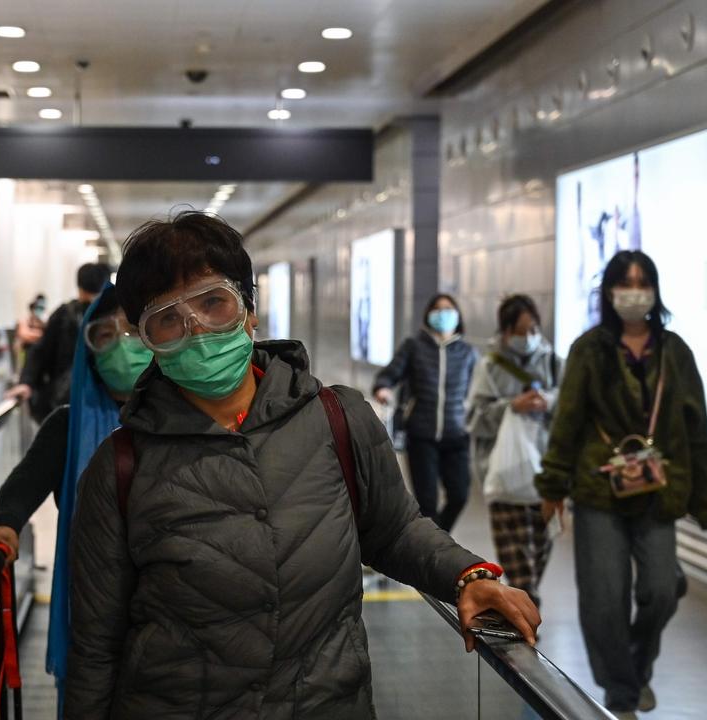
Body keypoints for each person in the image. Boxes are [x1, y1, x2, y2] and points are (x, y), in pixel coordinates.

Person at [65, 211, 540, 718]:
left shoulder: (336, 418)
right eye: (168, 319)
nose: (197, 331)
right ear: (146, 340)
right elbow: (96, 646)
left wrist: (468, 575)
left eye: (213, 303)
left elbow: (395, 529)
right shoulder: (120, 469)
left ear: (249, 309)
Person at [535, 250, 707, 719]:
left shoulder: (675, 352)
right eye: (624, 282)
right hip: (600, 492)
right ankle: (622, 695)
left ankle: (636, 666)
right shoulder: (589, 349)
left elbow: (696, 429)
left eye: (643, 282)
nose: (634, 292)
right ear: (610, 291)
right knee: (604, 600)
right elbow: (567, 421)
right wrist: (552, 485)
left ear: (654, 290)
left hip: (658, 491)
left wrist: (701, 496)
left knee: (659, 590)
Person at [0, 285, 152, 711]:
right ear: (88, 351)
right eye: (105, 337)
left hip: (165, 610)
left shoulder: (180, 423)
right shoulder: (67, 430)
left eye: (133, 335)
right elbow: (22, 487)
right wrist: (4, 526)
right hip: (91, 611)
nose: (122, 349)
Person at [466, 294, 559, 608]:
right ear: (505, 332)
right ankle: (527, 607)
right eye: (521, 331)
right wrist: (511, 407)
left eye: (533, 329)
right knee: (517, 558)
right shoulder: (490, 367)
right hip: (502, 475)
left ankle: (527, 602)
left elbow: (571, 409)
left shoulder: (551, 362)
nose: (529, 338)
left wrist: (550, 402)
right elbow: (472, 417)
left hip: (545, 474)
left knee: (542, 547)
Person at [371, 293, 478, 532]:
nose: (443, 314)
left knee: (459, 494)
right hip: (421, 435)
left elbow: (478, 390)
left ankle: (438, 540)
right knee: (427, 502)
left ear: (458, 315)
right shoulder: (414, 347)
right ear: (428, 316)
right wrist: (383, 388)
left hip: (456, 435)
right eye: (437, 309)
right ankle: (434, 553)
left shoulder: (468, 353)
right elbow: (388, 374)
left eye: (448, 309)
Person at [11, 264, 110, 421]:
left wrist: (27, 382)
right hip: (104, 400)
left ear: (79, 286)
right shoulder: (112, 315)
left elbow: (41, 351)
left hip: (66, 399)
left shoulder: (64, 313)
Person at [13, 294, 48, 371]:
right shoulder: (23, 322)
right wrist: (41, 335)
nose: (39, 311)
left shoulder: (44, 324)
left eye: (42, 308)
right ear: (32, 308)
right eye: (37, 308)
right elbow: (24, 335)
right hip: (25, 357)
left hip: (40, 359)